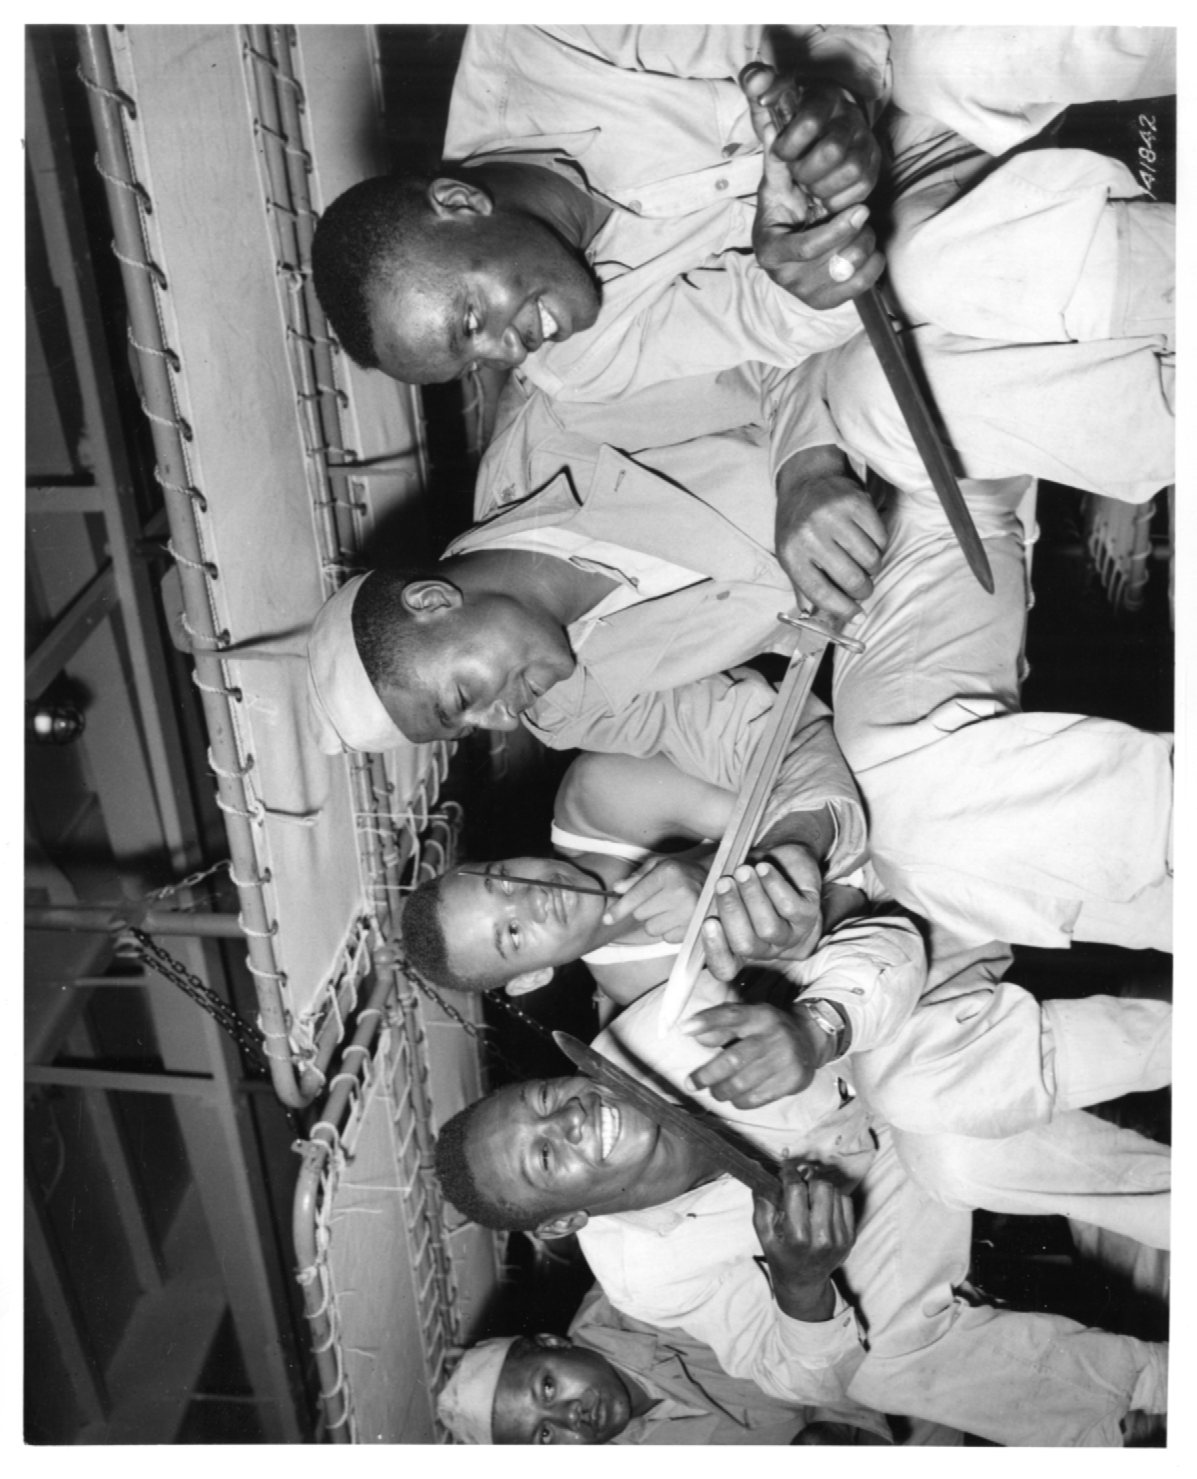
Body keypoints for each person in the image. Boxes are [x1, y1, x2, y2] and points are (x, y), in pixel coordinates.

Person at [310, 26, 1172, 617]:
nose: (504, 352)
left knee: (955, 55)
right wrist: (812, 274)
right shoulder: (571, 364)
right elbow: (774, 320)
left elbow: (813, 32)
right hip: (904, 172)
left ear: (460, 202)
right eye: (472, 364)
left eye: (472, 321)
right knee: (888, 366)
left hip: (897, 39)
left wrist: (830, 103)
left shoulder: (546, 40)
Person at [307, 382, 1173, 954]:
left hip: (899, 400)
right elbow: (771, 733)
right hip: (914, 553)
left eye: (462, 695)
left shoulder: (562, 409)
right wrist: (783, 855)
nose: (497, 721)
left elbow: (791, 312)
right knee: (915, 818)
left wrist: (805, 468)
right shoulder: (569, 709)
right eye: (467, 725)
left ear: (431, 601)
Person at [432, 969, 1169, 1446]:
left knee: (953, 1147)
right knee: (881, 1366)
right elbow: (802, 1379)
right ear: (562, 1221)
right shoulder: (638, 1274)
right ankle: (1152, 1394)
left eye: (540, 1102)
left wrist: (813, 1026)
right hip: (883, 1199)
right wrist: (799, 1285)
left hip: (910, 1065)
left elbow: (870, 961)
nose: (565, 1122)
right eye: (545, 1159)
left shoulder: (652, 1033)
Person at [402, 748, 1170, 1143]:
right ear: (535, 972)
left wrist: (718, 876)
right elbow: (834, 990)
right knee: (915, 1103)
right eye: (511, 934)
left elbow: (827, 810)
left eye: (498, 880)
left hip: (903, 829)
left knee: (960, 860)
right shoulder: (643, 999)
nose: (527, 901)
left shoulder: (599, 797)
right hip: (902, 943)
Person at [435, 1288, 894, 1444]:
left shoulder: (644, 1300)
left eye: (548, 1389)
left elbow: (820, 1307)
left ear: (552, 1343)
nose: (569, 1418)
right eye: (546, 1436)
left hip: (892, 1336)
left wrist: (838, 1431)